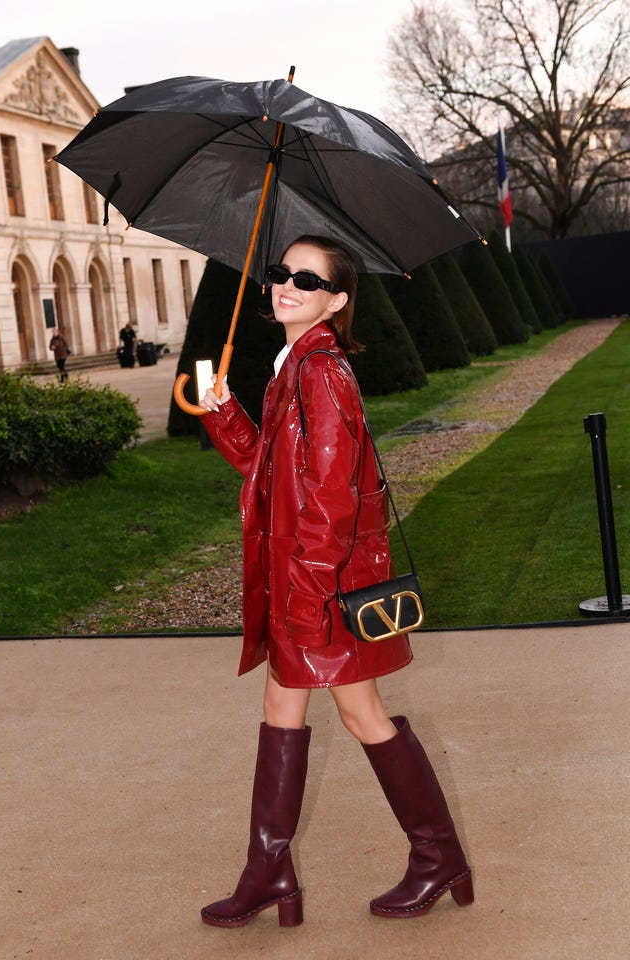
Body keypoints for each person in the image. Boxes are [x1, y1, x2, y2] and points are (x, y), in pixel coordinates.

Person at [198, 235, 473, 928]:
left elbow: (331, 498)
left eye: (305, 279)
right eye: (278, 272)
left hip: (322, 584)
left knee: (362, 714)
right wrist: (221, 410)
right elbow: (274, 472)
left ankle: (436, 857)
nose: (285, 285)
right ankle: (269, 871)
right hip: (312, 578)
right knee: (283, 710)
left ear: (337, 299)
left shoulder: (321, 371)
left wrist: (310, 589)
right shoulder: (297, 364)